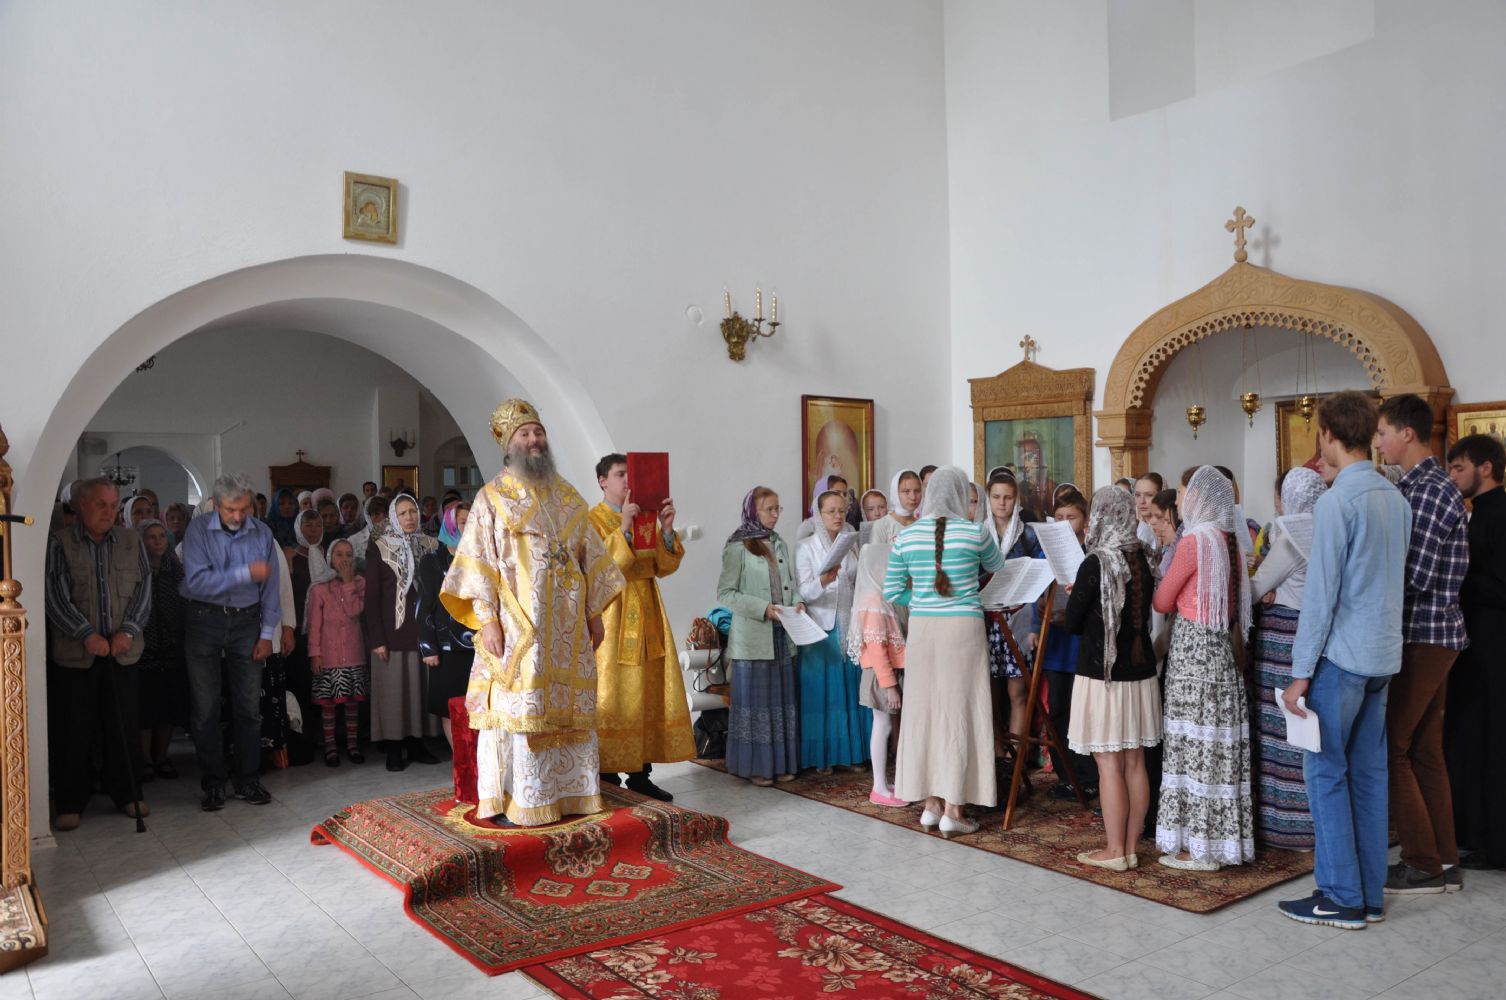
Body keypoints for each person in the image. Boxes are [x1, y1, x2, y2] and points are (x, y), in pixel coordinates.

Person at [441, 399, 625, 826]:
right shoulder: (491, 498)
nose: (534, 439)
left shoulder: (567, 495)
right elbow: (479, 563)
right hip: (518, 627)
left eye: (538, 432)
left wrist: (594, 613)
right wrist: (488, 620)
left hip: (568, 629)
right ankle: (518, 800)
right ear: (510, 445)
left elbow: (591, 557)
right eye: (524, 434)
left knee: (568, 709)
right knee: (520, 712)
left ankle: (572, 796)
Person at [1278, 391, 1411, 929]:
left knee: (1325, 772)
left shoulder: (1337, 502)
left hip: (1342, 657)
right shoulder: (1395, 498)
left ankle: (1339, 896)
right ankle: (1368, 895)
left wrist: (1300, 673)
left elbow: (1322, 595)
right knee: (1369, 775)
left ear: (1329, 435)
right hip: (1383, 654)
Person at [1374, 394, 1468, 894]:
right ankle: (1444, 859)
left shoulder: (1429, 489)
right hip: (1430, 633)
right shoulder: (1417, 485)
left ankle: (1422, 863)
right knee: (1426, 752)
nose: (1378, 442)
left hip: (1425, 634)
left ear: (1406, 433)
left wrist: (1365, 579)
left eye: (1382, 432)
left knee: (1394, 747)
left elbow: (1418, 573)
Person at [885, 467, 1004, 838]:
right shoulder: (975, 532)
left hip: (923, 630)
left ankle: (930, 805)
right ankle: (955, 808)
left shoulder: (906, 536)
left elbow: (892, 591)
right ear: (960, 496)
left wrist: (923, 597)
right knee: (961, 713)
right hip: (963, 629)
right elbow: (999, 568)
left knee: (925, 713)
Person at [1152, 465, 1256, 871]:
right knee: (1215, 745)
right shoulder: (1228, 539)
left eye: (1180, 493)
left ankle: (1197, 848)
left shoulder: (1194, 540)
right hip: (1221, 652)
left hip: (1193, 652)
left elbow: (1162, 601)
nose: (1178, 501)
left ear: (1196, 496)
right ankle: (1221, 844)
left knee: (1193, 745)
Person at [44, 477, 153, 830]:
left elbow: (143, 591)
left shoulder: (131, 541)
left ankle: (128, 793)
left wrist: (128, 631)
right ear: (82, 505)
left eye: (113, 505)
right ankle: (71, 801)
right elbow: (55, 595)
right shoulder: (60, 543)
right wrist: (86, 634)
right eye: (100, 504)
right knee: (73, 730)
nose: (108, 512)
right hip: (76, 655)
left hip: (123, 651)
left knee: (123, 725)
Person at [1064, 487, 1160, 871]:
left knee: (1108, 764)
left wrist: (1074, 595)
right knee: (1135, 762)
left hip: (1104, 676)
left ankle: (1114, 850)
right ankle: (1131, 846)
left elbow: (1073, 623)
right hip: (1141, 675)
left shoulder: (1096, 563)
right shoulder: (1143, 557)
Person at [589, 455, 694, 800]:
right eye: (620, 474)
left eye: (629, 475)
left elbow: (662, 567)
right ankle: (606, 774)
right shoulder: (592, 519)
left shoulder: (646, 516)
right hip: (612, 615)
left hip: (647, 610)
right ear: (603, 481)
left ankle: (640, 774)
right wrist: (623, 528)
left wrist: (666, 530)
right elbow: (599, 569)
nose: (626, 481)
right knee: (614, 692)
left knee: (648, 690)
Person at [179, 473, 281, 810]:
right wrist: (245, 573)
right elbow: (197, 583)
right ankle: (213, 783)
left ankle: (248, 780)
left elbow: (271, 589)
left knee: (249, 708)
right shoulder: (197, 530)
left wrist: (267, 635)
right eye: (229, 509)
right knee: (205, 708)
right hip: (204, 619)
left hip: (247, 622)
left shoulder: (262, 533)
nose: (238, 516)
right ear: (215, 504)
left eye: (243, 509)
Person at [1249, 467, 1327, 850]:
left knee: (1281, 729)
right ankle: (1313, 822)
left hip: (1283, 638)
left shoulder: (1291, 538)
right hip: (1312, 635)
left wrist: (1268, 591)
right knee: (1304, 728)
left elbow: (1255, 589)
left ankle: (1285, 827)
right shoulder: (1328, 531)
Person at [1444, 434, 1506, 872]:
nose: (1453, 476)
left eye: (1459, 468)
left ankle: (1494, 843)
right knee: (1471, 738)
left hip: (1494, 647)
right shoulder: (1478, 513)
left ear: (1486, 468)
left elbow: (1501, 587)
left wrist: (1458, 576)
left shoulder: (1499, 515)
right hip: (1477, 646)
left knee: (1492, 742)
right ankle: (1474, 832)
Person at [718, 487, 803, 786]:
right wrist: (762, 608)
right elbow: (726, 593)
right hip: (753, 639)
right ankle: (756, 767)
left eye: (778, 508)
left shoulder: (779, 542)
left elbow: (790, 584)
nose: (775, 514)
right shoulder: (738, 545)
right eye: (769, 509)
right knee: (756, 707)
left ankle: (781, 765)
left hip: (782, 636)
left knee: (781, 704)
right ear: (754, 511)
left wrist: (799, 602)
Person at [364, 494, 443, 772]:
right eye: (403, 513)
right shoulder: (380, 546)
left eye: (413, 511)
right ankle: (393, 748)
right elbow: (371, 596)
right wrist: (377, 639)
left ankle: (417, 743)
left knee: (418, 690)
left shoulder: (430, 545)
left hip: (423, 631)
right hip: (392, 633)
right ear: (393, 518)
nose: (409, 517)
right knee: (393, 692)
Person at [796, 487, 869, 775]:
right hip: (820, 627)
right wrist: (824, 581)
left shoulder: (850, 542)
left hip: (850, 622)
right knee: (823, 692)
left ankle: (851, 754)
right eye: (831, 511)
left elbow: (858, 579)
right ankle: (823, 757)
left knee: (850, 687)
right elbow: (803, 591)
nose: (838, 516)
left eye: (842, 511)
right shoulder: (806, 547)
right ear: (819, 514)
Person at [982, 472, 1043, 777]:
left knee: (1017, 691)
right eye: (996, 497)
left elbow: (1041, 575)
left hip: (1019, 617)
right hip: (987, 619)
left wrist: (1034, 626)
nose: (1002, 503)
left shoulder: (1028, 534)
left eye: (1007, 497)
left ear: (1016, 499)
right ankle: (996, 752)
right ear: (988, 499)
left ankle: (1016, 758)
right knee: (990, 692)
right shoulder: (979, 533)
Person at [1039, 490, 1098, 800]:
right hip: (1056, 645)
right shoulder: (1046, 554)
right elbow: (1038, 591)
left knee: (1083, 712)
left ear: (1084, 520)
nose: (1064, 523)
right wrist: (1040, 605)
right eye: (1059, 517)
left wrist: (1072, 613)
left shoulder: (1092, 555)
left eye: (1071, 517)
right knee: (1058, 709)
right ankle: (1066, 776)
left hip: (1081, 645)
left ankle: (1088, 777)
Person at [846, 516, 907, 806]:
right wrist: (890, 686)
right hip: (880, 676)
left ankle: (884, 782)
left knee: (884, 727)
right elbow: (878, 651)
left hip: (886, 674)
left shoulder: (881, 598)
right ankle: (879, 788)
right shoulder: (873, 602)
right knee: (881, 728)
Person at [417, 503, 475, 750]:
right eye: (462, 522)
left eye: (472, 521)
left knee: (477, 706)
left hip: (479, 644)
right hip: (446, 646)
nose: (469, 526)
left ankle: (477, 762)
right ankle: (461, 761)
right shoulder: (432, 561)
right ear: (450, 526)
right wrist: (428, 647)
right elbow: (424, 606)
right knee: (450, 707)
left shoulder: (481, 557)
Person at [307, 538, 368, 766]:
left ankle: (353, 746)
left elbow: (354, 611)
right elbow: (314, 625)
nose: (344, 559)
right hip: (328, 656)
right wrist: (315, 654)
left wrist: (349, 582)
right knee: (329, 706)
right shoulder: (320, 588)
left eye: (349, 555)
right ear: (330, 558)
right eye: (339, 554)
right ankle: (330, 748)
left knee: (352, 705)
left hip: (354, 654)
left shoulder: (360, 583)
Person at [136, 519, 187, 781]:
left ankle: (162, 757)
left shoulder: (174, 568)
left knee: (168, 708)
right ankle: (145, 759)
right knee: (146, 709)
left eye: (161, 536)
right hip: (143, 648)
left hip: (171, 646)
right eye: (151, 537)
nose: (157, 541)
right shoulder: (136, 568)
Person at [348, 495, 388, 572]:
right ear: (368, 517)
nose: (383, 517)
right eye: (375, 514)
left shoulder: (397, 537)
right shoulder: (353, 540)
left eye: (386, 514)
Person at [1132, 473, 1164, 552]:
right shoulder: (1131, 524)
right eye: (1137, 495)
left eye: (1149, 495)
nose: (1142, 501)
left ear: (1160, 495)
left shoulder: (1168, 527)